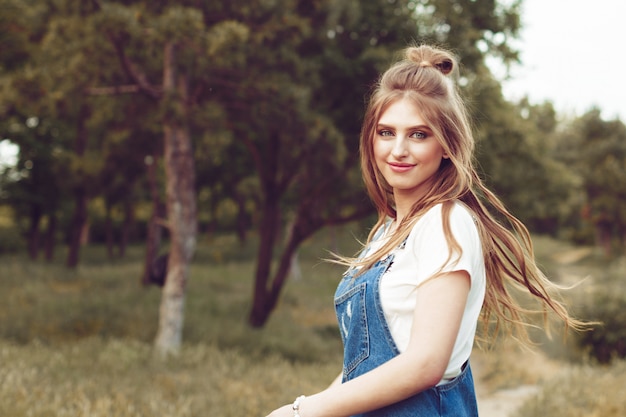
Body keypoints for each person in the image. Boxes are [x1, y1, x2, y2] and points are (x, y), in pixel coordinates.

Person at [265, 44, 584, 417]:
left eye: (418, 135)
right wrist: (304, 408)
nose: (398, 150)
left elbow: (425, 363)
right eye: (386, 132)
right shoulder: (388, 231)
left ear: (446, 146)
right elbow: (366, 365)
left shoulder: (445, 222)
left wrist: (305, 410)